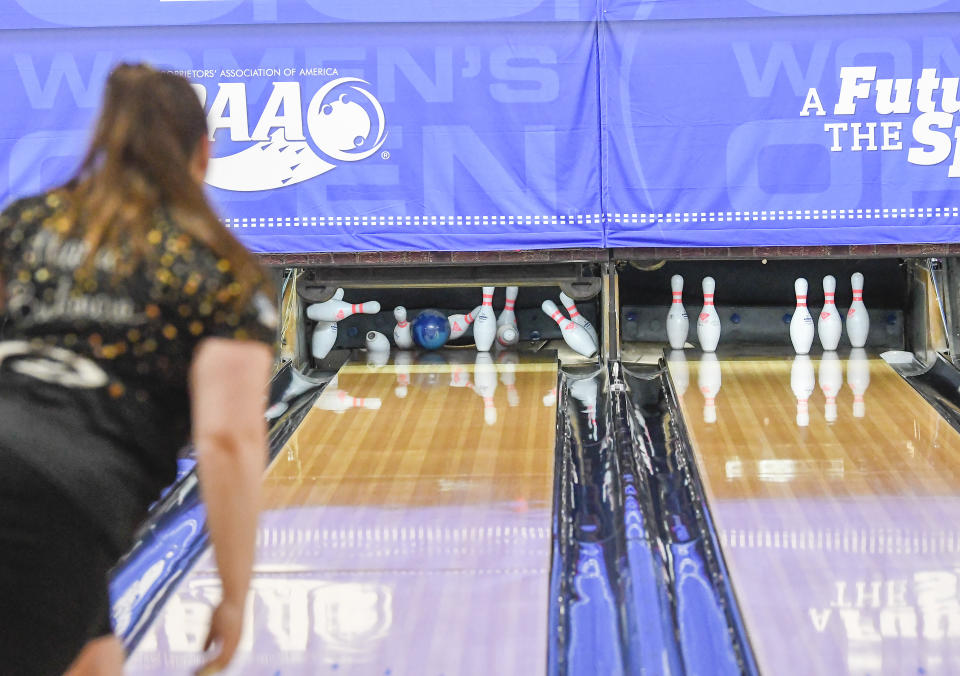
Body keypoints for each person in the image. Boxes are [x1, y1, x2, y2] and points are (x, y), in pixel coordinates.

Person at [0, 63, 275, 675]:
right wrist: (233, 595)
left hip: (42, 488)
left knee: (97, 659)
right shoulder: (221, 270)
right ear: (204, 152)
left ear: (107, 141)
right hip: (55, 497)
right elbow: (228, 438)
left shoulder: (25, 224)